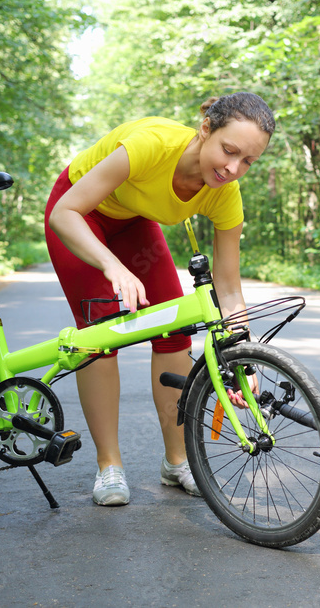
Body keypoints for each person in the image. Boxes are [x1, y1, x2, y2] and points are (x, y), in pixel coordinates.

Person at [45, 92, 275, 506]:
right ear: (205, 129)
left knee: (175, 332)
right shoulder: (152, 145)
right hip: (80, 212)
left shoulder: (225, 192)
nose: (232, 168)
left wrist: (241, 351)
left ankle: (177, 460)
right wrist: (112, 266)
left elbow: (228, 286)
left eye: (247, 162)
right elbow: (66, 212)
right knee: (100, 335)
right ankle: (109, 465)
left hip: (133, 223)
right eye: (229, 151)